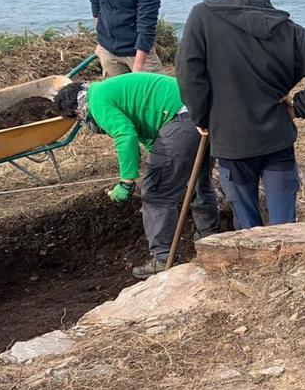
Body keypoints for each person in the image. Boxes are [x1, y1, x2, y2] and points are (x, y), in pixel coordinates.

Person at [176, 0, 305, 230]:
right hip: (277, 137)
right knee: (285, 225)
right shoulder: (288, 28)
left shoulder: (203, 16)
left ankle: (256, 265)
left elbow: (188, 72)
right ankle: (285, 264)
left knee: (247, 224)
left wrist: (201, 116)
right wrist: (299, 106)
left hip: (232, 138)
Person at [53, 74, 221, 279]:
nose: (82, 123)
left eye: (78, 120)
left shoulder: (96, 103)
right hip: (200, 113)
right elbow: (148, 128)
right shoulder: (104, 90)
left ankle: (162, 258)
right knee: (197, 183)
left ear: (77, 110)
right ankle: (212, 239)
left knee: (156, 193)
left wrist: (126, 181)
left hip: (180, 120)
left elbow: (125, 135)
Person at [85, 0, 163, 77]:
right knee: (115, 94)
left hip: (138, 51)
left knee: (156, 92)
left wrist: (138, 69)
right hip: (107, 50)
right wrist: (101, 41)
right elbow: (96, 6)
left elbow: (146, 27)